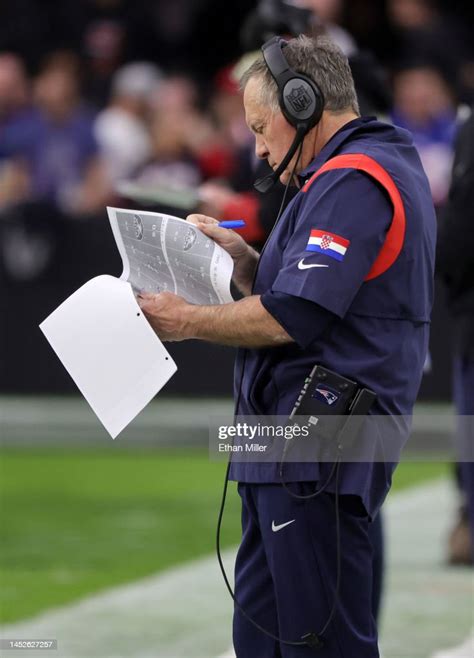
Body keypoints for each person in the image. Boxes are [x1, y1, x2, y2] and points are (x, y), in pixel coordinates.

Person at [139, 35, 436, 657]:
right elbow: (316, 296)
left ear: (303, 105)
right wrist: (247, 262)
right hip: (292, 447)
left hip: (316, 447)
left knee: (318, 645)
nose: (258, 147)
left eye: (259, 125)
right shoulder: (344, 175)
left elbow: (295, 315)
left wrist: (187, 319)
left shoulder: (356, 178)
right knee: (267, 641)